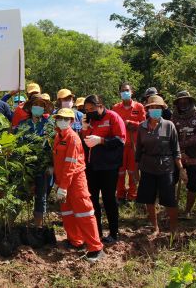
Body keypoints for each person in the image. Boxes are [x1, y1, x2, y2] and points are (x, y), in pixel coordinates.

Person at [52, 108, 104, 263]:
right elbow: (58, 162)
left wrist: (63, 187)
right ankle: (76, 241)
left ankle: (95, 247)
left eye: (65, 119)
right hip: (63, 181)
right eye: (59, 118)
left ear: (71, 121)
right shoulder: (58, 136)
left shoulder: (73, 139)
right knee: (67, 212)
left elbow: (70, 165)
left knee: (84, 213)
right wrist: (58, 183)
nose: (62, 121)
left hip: (75, 181)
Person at [135, 95, 187, 238]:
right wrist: (135, 170)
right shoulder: (142, 127)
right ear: (148, 110)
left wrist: (181, 169)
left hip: (166, 167)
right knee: (149, 199)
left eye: (158, 108)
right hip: (147, 167)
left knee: (169, 200)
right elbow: (138, 151)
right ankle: (155, 227)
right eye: (152, 108)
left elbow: (176, 150)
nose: (155, 110)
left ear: (162, 109)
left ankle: (173, 228)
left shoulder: (169, 126)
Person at [81, 95, 126, 244]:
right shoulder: (89, 120)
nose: (89, 112)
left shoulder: (113, 117)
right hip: (92, 166)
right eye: (86, 110)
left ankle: (113, 233)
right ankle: (97, 232)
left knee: (109, 200)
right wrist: (84, 129)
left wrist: (101, 141)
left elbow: (120, 140)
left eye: (92, 109)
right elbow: (85, 143)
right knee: (93, 200)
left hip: (109, 166)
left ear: (100, 105)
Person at [16, 94, 55, 227]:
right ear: (31, 107)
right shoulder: (23, 124)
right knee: (20, 195)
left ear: (44, 109)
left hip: (42, 167)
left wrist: (51, 165)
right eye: (35, 105)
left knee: (41, 197)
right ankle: (10, 226)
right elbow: (17, 145)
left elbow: (52, 147)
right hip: (25, 166)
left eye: (41, 105)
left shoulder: (49, 125)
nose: (38, 108)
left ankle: (38, 227)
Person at [171, 91, 196, 218]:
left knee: (192, 184)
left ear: (190, 101)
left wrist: (185, 144)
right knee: (171, 181)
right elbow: (172, 135)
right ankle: (171, 209)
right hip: (177, 154)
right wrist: (180, 150)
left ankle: (187, 211)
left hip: (194, 154)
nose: (183, 103)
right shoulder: (174, 116)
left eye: (185, 101)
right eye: (180, 102)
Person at [112, 83, 146, 203]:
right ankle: (120, 195)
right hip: (120, 146)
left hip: (134, 145)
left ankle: (132, 196)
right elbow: (112, 125)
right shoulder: (116, 108)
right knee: (120, 172)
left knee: (133, 172)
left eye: (127, 90)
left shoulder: (139, 107)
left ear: (132, 92)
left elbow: (144, 124)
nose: (124, 92)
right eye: (122, 90)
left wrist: (133, 124)